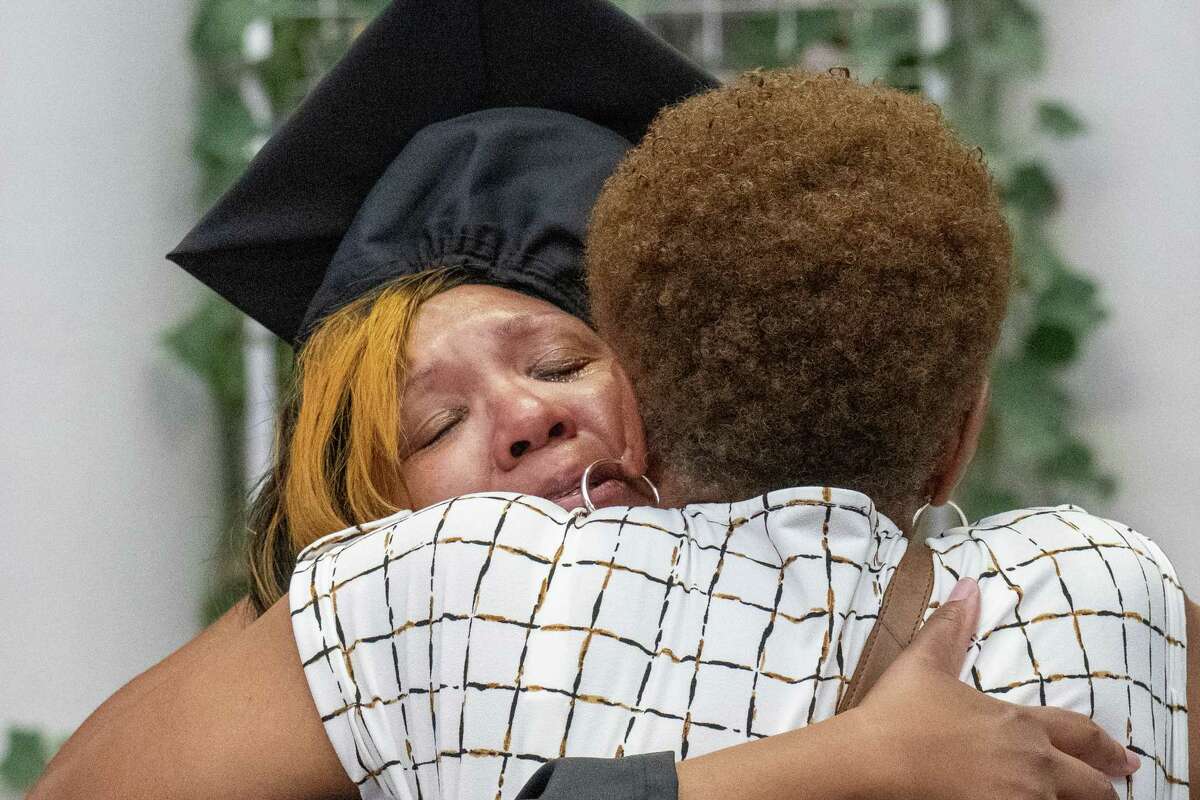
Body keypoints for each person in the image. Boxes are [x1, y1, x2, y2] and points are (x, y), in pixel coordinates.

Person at [31, 26, 1173, 800]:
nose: (524, 417)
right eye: (432, 427)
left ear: (675, 378)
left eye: (566, 359)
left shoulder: (1024, 598)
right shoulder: (389, 625)